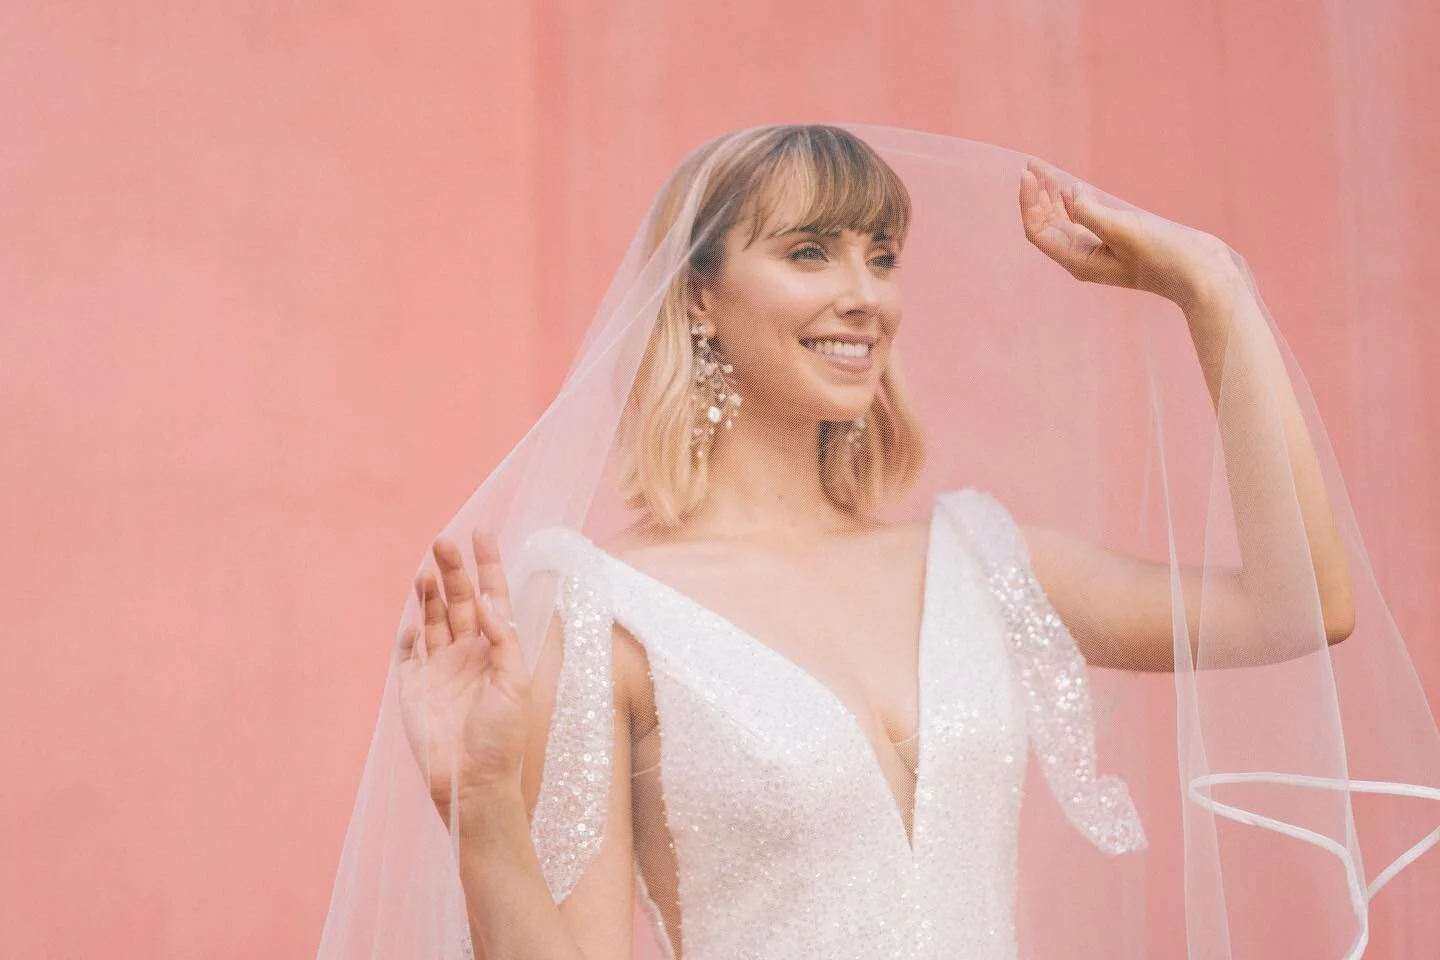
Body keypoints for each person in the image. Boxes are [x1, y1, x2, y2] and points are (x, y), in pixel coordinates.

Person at [318, 125, 1440, 960]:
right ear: (697, 297)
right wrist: (479, 810)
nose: (865, 297)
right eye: (811, 253)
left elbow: (1300, 606)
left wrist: (1212, 289)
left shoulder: (986, 565)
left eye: (883, 257)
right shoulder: (611, 615)